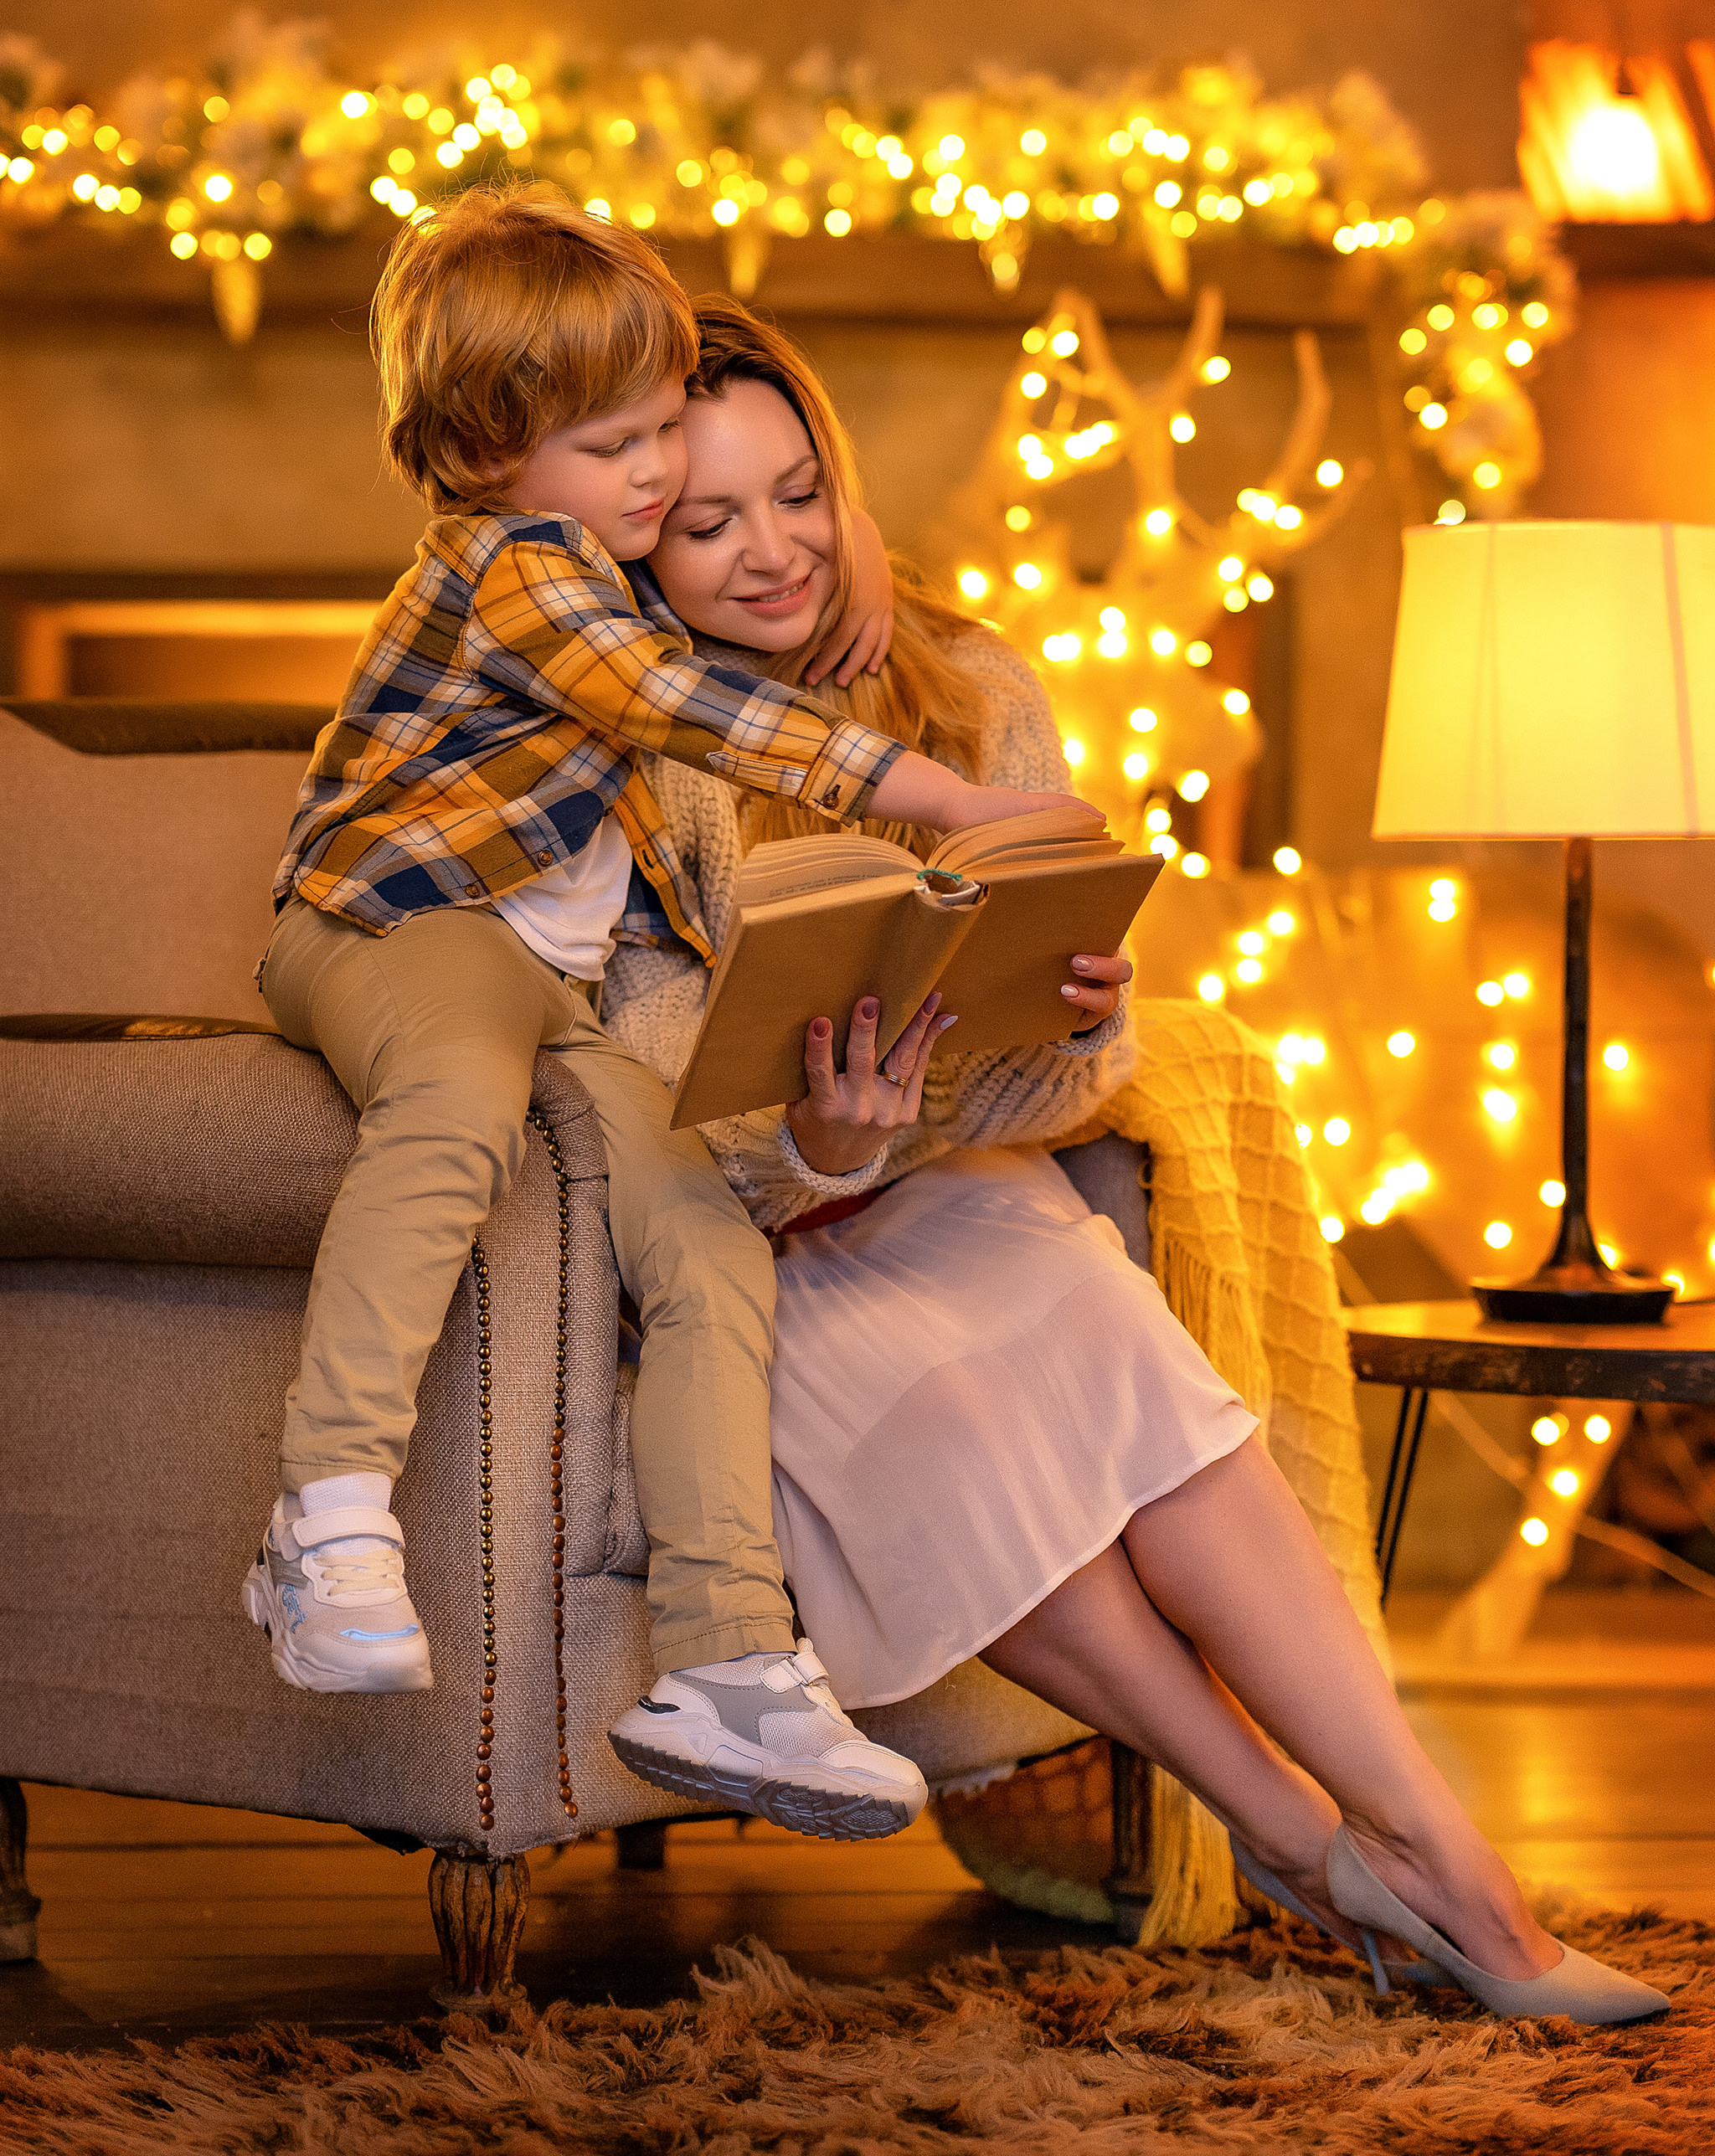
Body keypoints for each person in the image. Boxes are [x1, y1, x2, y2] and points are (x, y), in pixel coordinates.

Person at [599, 297, 1667, 2025]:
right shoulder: (619, 762)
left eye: (796, 494)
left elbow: (1063, 1079)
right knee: (951, 1427)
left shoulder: (968, 683)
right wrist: (807, 1147)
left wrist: (1079, 1017)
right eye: (709, 524)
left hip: (943, 1193)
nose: (771, 552)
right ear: (636, 548)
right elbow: (640, 1110)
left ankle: (1429, 1845)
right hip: (742, 1251)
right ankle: (1292, 1836)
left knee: (1126, 1365)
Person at [246, 185, 1075, 1846]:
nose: (657, 475)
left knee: (704, 1235)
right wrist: (944, 801)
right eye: (625, 445)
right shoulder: (520, 569)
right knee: (458, 1097)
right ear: (485, 449)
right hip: (390, 923)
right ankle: (326, 1507)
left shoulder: (606, 567)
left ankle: (728, 1657)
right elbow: (677, 707)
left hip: (539, 983)